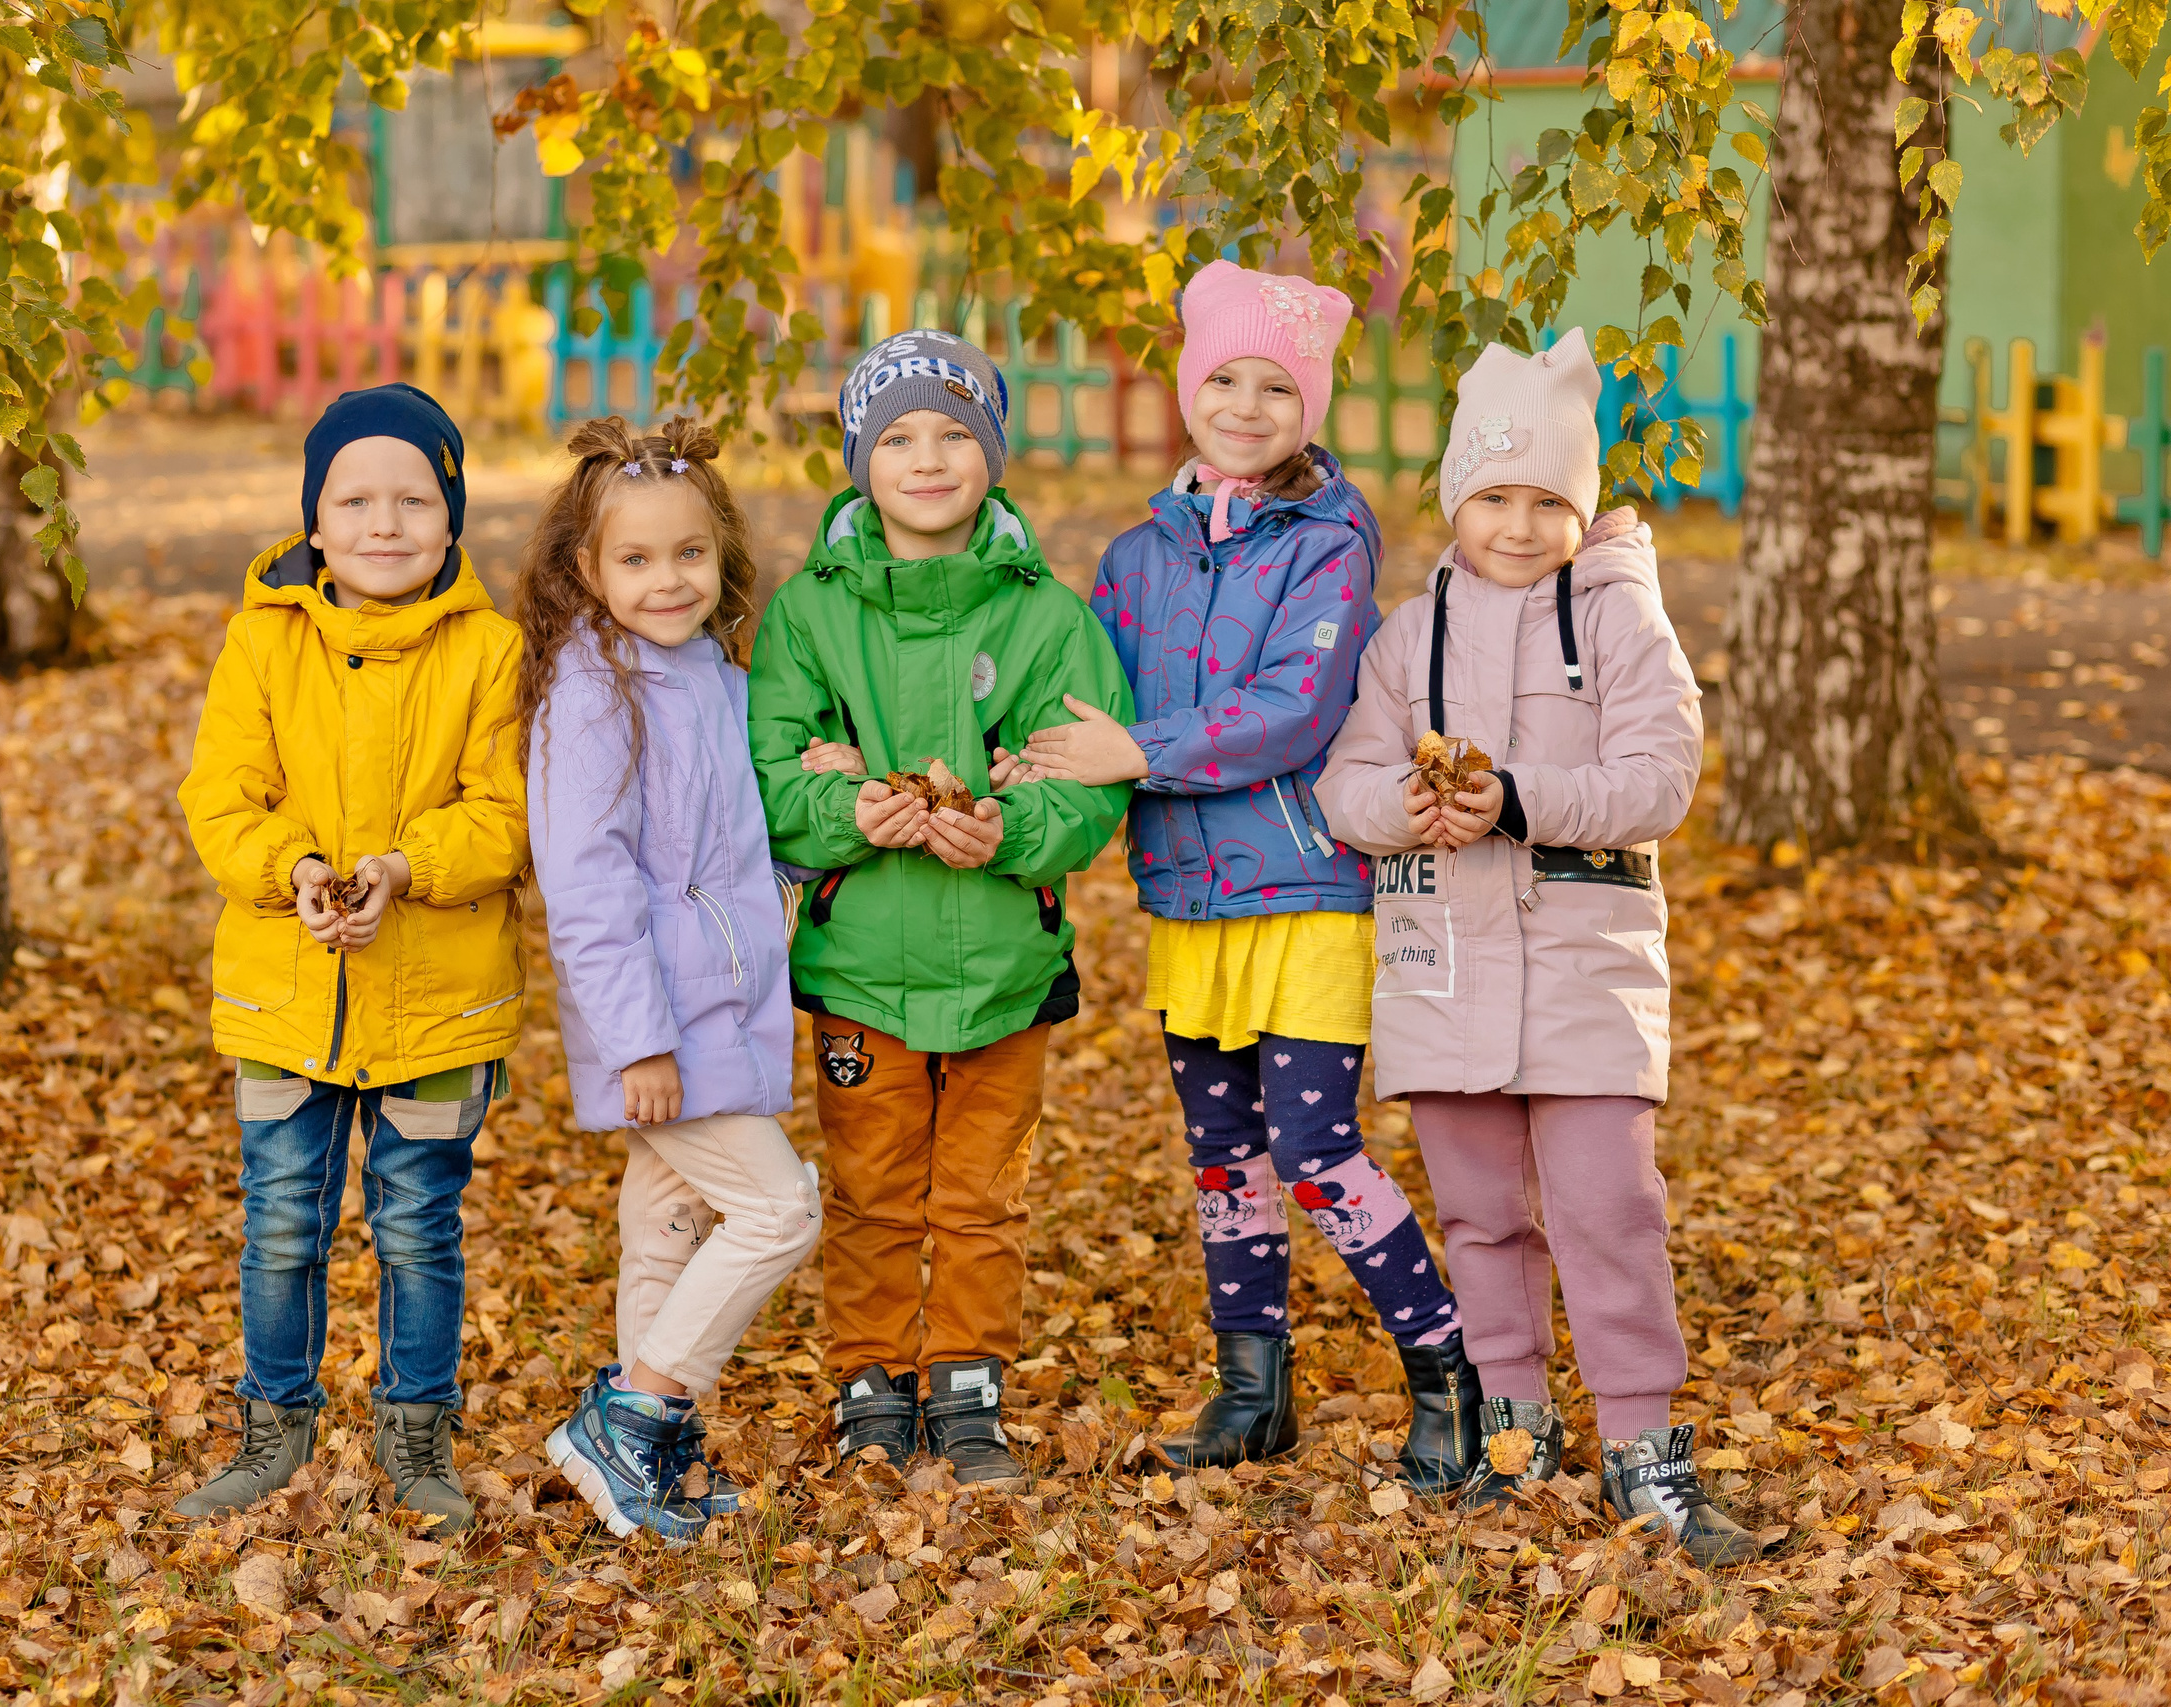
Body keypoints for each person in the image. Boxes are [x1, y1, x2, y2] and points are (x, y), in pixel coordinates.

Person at [1004, 261, 1478, 1489]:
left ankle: (1447, 1374)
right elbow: (1078, 697)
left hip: (1308, 885)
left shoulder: (1326, 546)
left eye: (1279, 386)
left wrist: (1139, 751)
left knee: (1317, 1149)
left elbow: (1293, 707)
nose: (1250, 405)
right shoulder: (1134, 556)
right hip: (1187, 893)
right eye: (1226, 378)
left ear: (1309, 408)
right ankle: (1251, 1390)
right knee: (1222, 1154)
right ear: (1187, 387)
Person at [1313, 331, 1755, 1564]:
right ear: (1456, 497)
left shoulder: (1619, 618)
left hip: (1581, 971)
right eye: (1493, 497)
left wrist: (1516, 797)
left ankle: (1639, 1443)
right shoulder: (1410, 636)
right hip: (1443, 976)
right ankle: (1512, 1429)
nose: (1516, 524)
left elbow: (1657, 778)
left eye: (1545, 500)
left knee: (1608, 1207)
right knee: (1477, 1215)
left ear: (1581, 503)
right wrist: (1396, 806)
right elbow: (1346, 775)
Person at [748, 329, 1135, 1488]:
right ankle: (871, 1379)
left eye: (955, 434)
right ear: (861, 459)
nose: (928, 458)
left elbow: (1086, 783)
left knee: (980, 1194)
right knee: (868, 1190)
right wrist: (843, 810)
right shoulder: (808, 614)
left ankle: (967, 1381)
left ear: (995, 455)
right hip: (861, 964)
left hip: (1002, 970)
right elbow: (768, 775)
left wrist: (1009, 830)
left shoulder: (1045, 618)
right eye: (899, 436)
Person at [174, 382, 527, 1537]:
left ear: (452, 515)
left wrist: (401, 868)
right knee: (283, 1216)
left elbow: (508, 813)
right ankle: (273, 1422)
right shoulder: (261, 642)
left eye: (415, 498)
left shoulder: (492, 653)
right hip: (291, 993)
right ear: (314, 524)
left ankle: (416, 1426)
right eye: (356, 499)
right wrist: (301, 870)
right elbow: (220, 800)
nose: (386, 523)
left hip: (435, 996)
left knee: (420, 1220)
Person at [520, 416, 822, 1543]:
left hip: (725, 1002)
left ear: (722, 557)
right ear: (587, 569)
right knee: (778, 1207)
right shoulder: (592, 692)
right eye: (635, 559)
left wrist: (817, 784)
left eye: (687, 555)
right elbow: (587, 884)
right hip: (659, 1019)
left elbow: (743, 837)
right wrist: (637, 1039)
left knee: (670, 1215)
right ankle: (637, 1411)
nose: (666, 580)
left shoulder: (718, 677)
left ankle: (650, 1462)